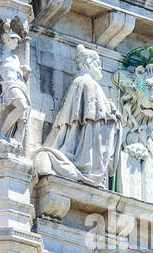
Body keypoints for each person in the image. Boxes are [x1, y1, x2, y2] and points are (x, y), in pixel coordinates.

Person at [34, 45, 120, 187]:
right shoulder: (90, 84)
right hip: (87, 155)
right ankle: (87, 168)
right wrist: (115, 117)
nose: (100, 67)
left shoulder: (78, 82)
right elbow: (97, 122)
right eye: (97, 63)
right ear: (88, 63)